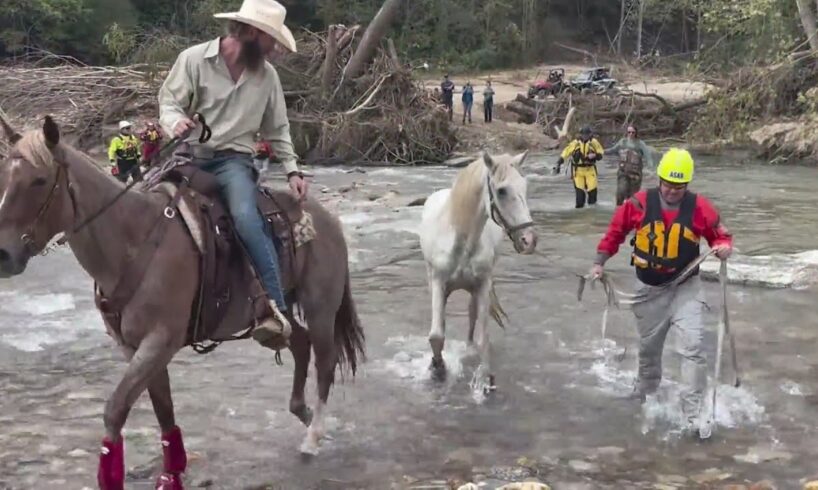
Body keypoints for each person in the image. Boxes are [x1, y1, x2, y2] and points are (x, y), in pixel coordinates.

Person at [158, 0, 309, 352]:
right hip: (188, 154)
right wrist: (174, 122)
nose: (274, 49)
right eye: (271, 40)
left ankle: (274, 308)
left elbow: (278, 128)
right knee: (142, 203)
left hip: (234, 163)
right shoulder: (194, 59)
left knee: (245, 216)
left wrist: (292, 170)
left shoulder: (267, 76)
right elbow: (169, 102)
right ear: (252, 34)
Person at [590, 148, 733, 435]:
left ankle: (692, 415)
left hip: (685, 287)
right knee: (649, 348)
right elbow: (614, 234)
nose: (671, 191)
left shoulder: (700, 207)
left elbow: (720, 234)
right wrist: (598, 264)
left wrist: (723, 248)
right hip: (648, 289)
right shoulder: (638, 204)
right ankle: (644, 393)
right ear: (658, 179)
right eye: (667, 184)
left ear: (687, 185)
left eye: (678, 187)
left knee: (693, 347)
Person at [555, 126, 604, 208]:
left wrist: (595, 155)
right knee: (579, 200)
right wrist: (559, 163)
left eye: (587, 134)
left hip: (590, 170)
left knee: (592, 196)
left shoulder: (594, 142)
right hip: (578, 172)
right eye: (583, 134)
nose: (585, 136)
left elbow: (600, 154)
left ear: (590, 134)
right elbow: (566, 152)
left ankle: (592, 212)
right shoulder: (575, 143)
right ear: (580, 134)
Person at [606, 124, 655, 205]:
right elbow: (612, 150)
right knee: (621, 192)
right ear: (627, 132)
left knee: (633, 197)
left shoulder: (640, 144)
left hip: (635, 175)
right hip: (623, 172)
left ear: (636, 133)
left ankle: (631, 212)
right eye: (629, 132)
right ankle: (619, 210)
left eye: (633, 132)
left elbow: (648, 156)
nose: (631, 134)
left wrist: (651, 168)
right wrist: (600, 151)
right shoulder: (622, 142)